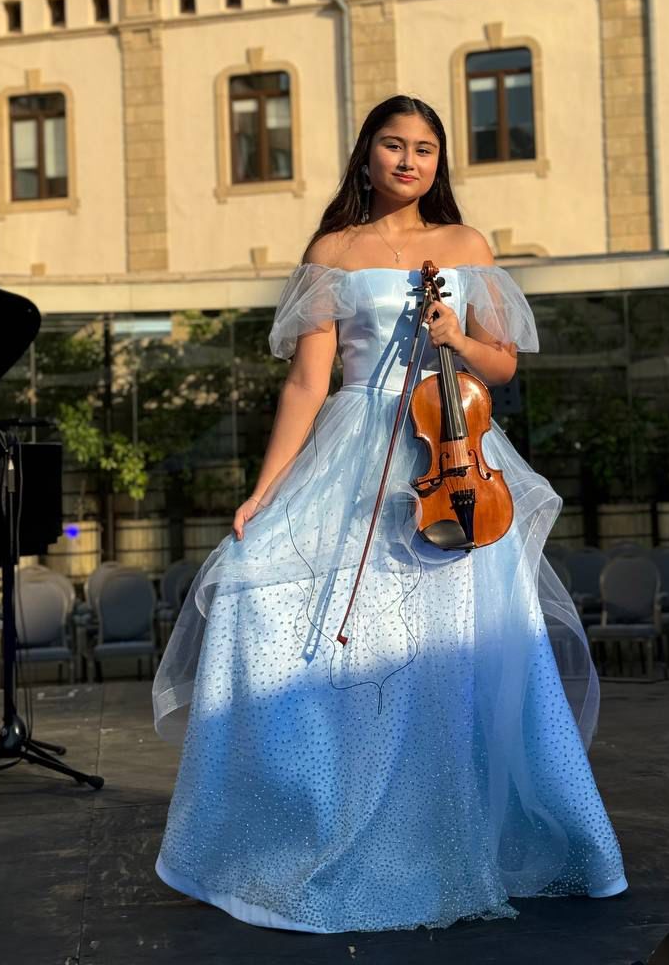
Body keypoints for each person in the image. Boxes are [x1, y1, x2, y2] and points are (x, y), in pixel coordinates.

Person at [153, 94, 628, 933]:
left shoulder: (466, 247)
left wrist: (456, 336)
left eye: (425, 149)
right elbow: (308, 382)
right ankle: (311, 813)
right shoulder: (333, 251)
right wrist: (265, 488)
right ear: (366, 154)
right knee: (269, 597)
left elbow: (504, 364)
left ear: (439, 162)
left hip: (450, 449)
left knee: (446, 646)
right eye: (393, 146)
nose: (409, 161)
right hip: (353, 452)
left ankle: (452, 828)